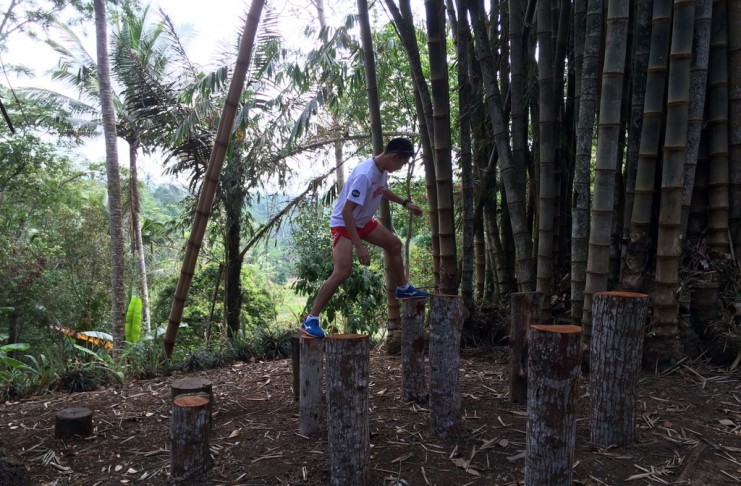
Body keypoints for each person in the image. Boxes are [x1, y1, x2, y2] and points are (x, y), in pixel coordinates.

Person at [300, 137, 430, 338]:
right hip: (344, 223)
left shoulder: (382, 170)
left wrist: (405, 203)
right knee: (342, 271)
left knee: (394, 245)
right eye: (402, 163)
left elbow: (381, 190)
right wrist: (359, 246)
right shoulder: (365, 175)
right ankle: (311, 319)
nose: (400, 168)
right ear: (394, 157)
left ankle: (403, 288)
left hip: (363, 221)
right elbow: (346, 212)